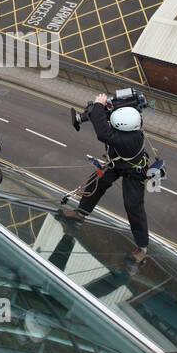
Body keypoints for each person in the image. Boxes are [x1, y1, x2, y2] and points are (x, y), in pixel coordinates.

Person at [60, 92, 151, 264]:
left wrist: (99, 106)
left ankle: (142, 248)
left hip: (133, 170)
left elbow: (103, 132)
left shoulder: (128, 138)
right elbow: (111, 124)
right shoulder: (131, 122)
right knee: (97, 182)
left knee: (133, 205)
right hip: (116, 162)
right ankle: (81, 213)